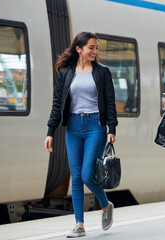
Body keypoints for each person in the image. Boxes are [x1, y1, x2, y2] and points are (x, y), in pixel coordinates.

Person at [44, 32, 118, 238]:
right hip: (73, 127)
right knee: (75, 177)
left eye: (96, 48)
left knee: (87, 174)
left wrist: (112, 128)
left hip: (96, 125)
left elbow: (110, 102)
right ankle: (79, 224)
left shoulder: (103, 72)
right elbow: (57, 103)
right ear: (79, 49)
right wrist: (50, 131)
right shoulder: (66, 73)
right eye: (91, 47)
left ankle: (105, 205)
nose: (94, 51)